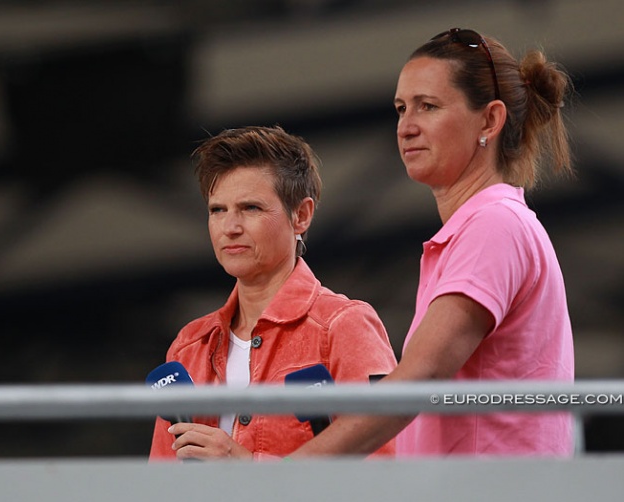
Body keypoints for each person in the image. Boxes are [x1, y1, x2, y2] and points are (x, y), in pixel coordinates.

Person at [290, 28, 575, 458]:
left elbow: (418, 380)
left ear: (490, 120)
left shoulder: (493, 225)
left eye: (428, 106)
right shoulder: (487, 225)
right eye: (401, 108)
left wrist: (282, 474)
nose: (406, 127)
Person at [149, 125, 398, 461]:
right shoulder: (189, 346)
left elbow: (386, 471)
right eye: (217, 210)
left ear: (302, 215)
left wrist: (246, 465)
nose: (230, 227)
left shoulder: (344, 325)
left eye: (251, 208)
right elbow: (159, 487)